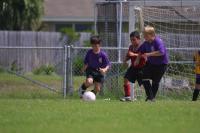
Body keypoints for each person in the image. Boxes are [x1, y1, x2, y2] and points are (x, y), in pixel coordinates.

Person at [137, 25, 168, 101]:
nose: (144, 37)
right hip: (151, 64)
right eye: (143, 35)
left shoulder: (158, 41)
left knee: (155, 82)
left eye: (145, 35)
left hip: (161, 65)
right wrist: (137, 60)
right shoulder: (146, 43)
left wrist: (149, 54)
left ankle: (151, 98)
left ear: (151, 34)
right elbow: (140, 51)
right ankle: (151, 97)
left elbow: (161, 52)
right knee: (142, 76)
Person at [120, 31, 146, 102]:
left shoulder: (142, 47)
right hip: (133, 67)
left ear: (139, 39)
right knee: (125, 79)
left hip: (142, 68)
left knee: (144, 83)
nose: (132, 41)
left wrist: (134, 55)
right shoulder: (131, 47)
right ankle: (128, 96)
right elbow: (129, 55)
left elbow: (144, 56)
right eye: (131, 40)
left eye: (134, 39)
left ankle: (150, 96)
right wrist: (125, 60)